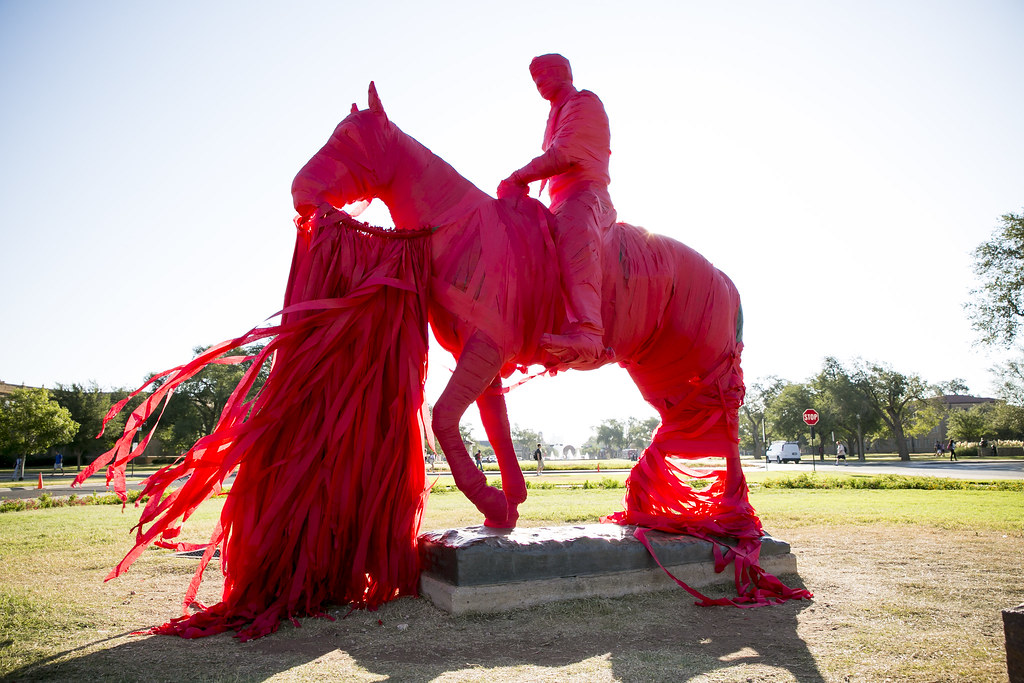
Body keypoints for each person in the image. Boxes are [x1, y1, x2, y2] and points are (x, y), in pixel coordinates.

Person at [498, 54, 616, 368]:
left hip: (586, 195)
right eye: (535, 80)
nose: (539, 85)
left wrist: (518, 177)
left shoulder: (583, 103)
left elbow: (565, 153)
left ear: (564, 73)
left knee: (572, 234)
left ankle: (589, 331)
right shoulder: (555, 113)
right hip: (560, 199)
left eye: (545, 76)